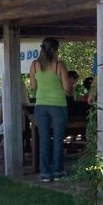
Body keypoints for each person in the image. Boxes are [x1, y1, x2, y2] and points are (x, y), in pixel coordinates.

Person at [29, 37, 71, 182]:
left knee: (44, 139)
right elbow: (67, 87)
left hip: (40, 106)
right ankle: (58, 172)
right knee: (58, 139)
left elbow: (33, 86)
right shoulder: (59, 65)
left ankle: (45, 173)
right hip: (58, 105)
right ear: (55, 49)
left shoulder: (34, 65)